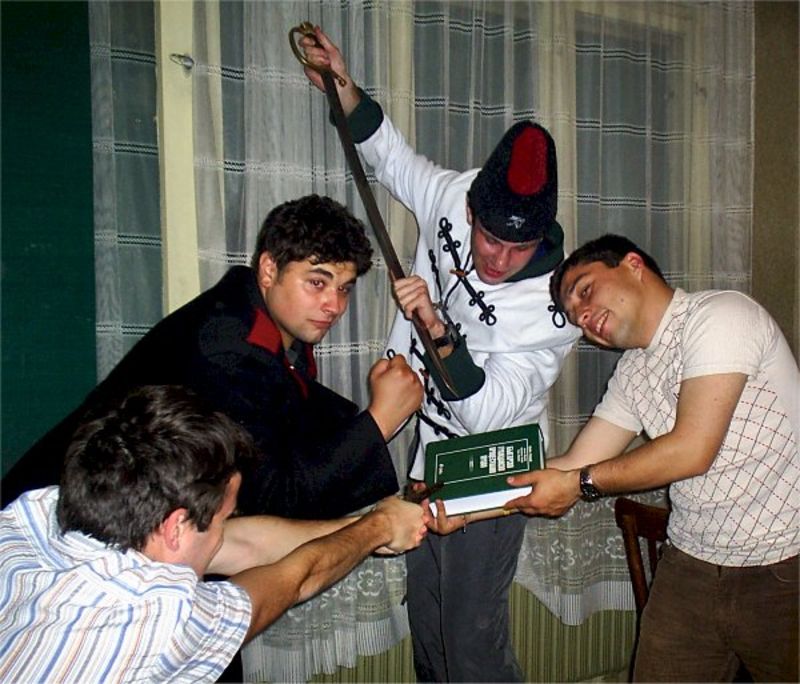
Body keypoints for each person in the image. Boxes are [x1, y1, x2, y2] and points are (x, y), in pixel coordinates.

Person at [301, 28, 581, 682]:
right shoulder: (454, 197)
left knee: (471, 640)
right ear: (474, 210)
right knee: (426, 623)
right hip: (431, 456)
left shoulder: (556, 308)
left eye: (517, 248)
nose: (497, 258)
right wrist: (344, 88)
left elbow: (486, 412)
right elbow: (391, 159)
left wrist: (431, 321)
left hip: (493, 469)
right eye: (488, 237)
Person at [2, 194, 423, 519]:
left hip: (117, 515)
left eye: (344, 288)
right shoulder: (226, 346)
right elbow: (274, 496)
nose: (334, 305)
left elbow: (294, 414)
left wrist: (373, 424)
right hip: (51, 524)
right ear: (269, 270)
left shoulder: (257, 317)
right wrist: (380, 420)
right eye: (317, 282)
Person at [504, 234, 799, 682]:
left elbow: (691, 451)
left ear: (633, 264)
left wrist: (579, 484)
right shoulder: (633, 370)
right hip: (691, 569)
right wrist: (458, 505)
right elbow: (572, 463)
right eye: (575, 317)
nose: (583, 317)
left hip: (785, 566)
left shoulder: (721, 315)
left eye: (585, 291)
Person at [0, 385, 428, 683]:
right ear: (175, 527)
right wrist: (378, 528)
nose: (224, 531)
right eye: (223, 518)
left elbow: (246, 544)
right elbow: (294, 580)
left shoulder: (33, 515)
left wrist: (381, 524)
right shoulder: (161, 616)